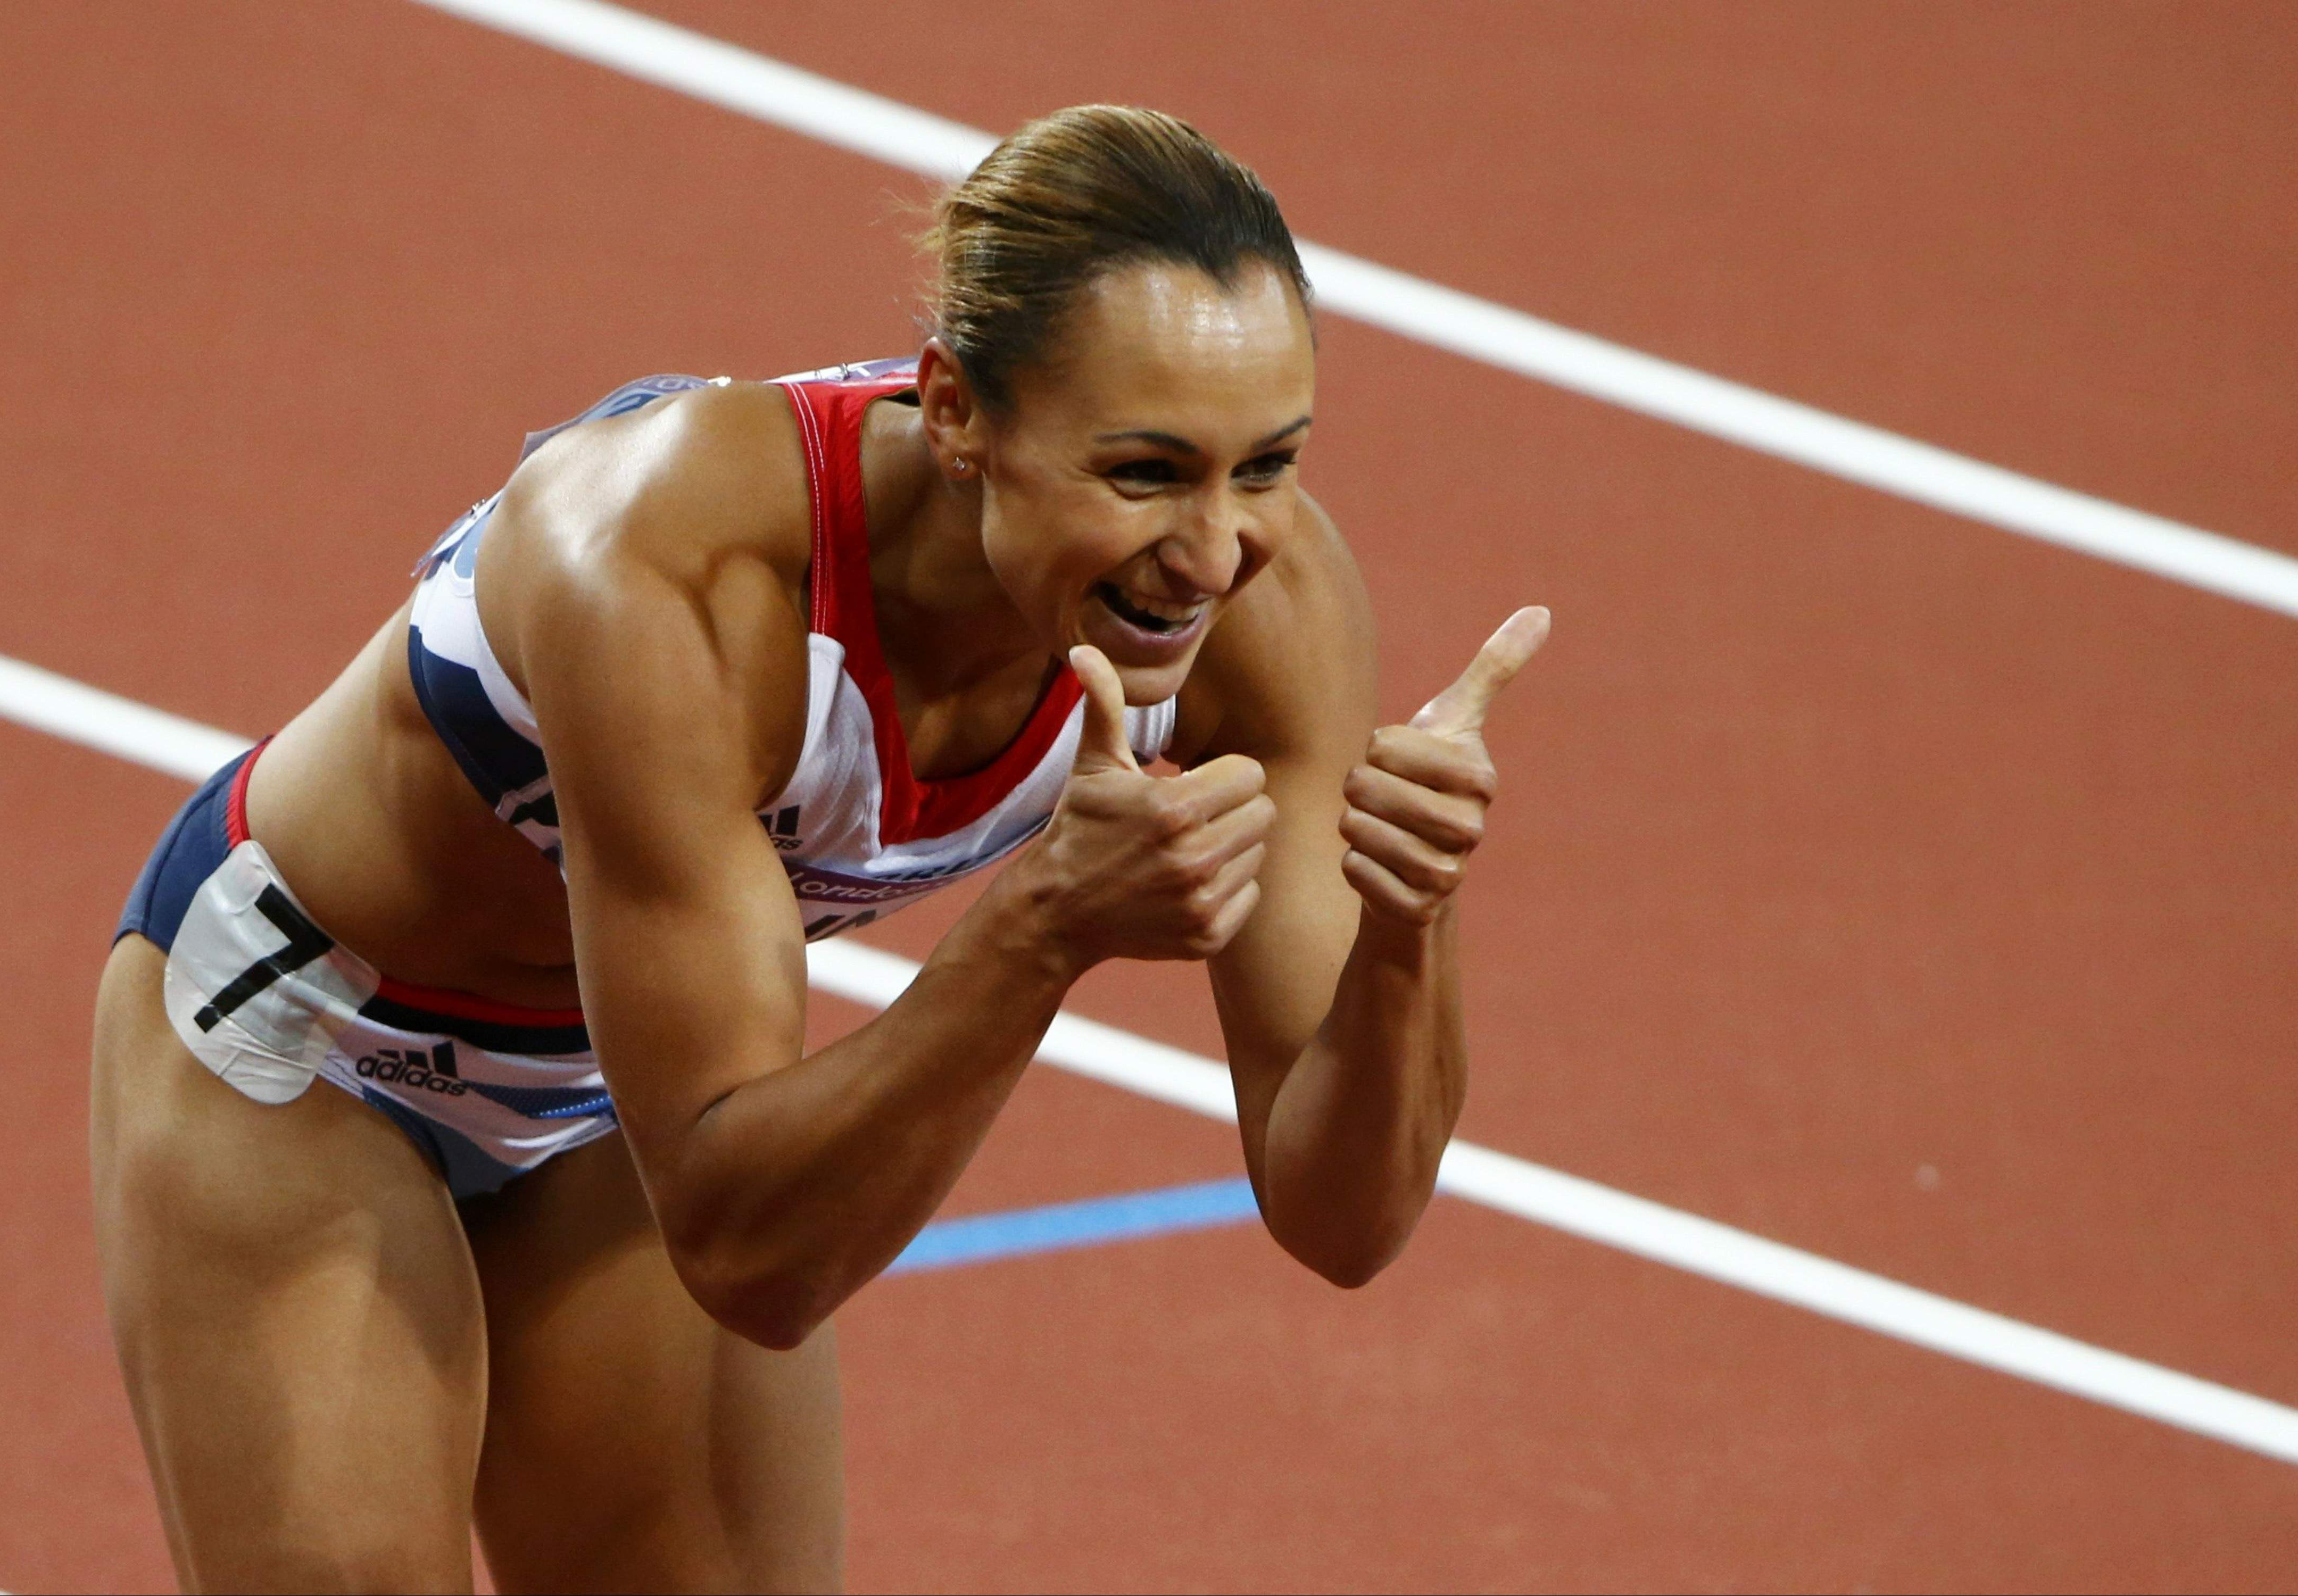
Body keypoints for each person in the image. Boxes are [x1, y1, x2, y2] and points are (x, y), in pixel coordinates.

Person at [90, 105, 1548, 1593]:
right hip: (315, 1039)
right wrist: (1041, 926)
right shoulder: (674, 561)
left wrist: (1406, 923)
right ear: (958, 414)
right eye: (1143, 473)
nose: (1214, 551)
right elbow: (750, 1257)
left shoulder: (1269, 617)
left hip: (616, 1082)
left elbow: (1342, 1221)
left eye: (1268, 465)